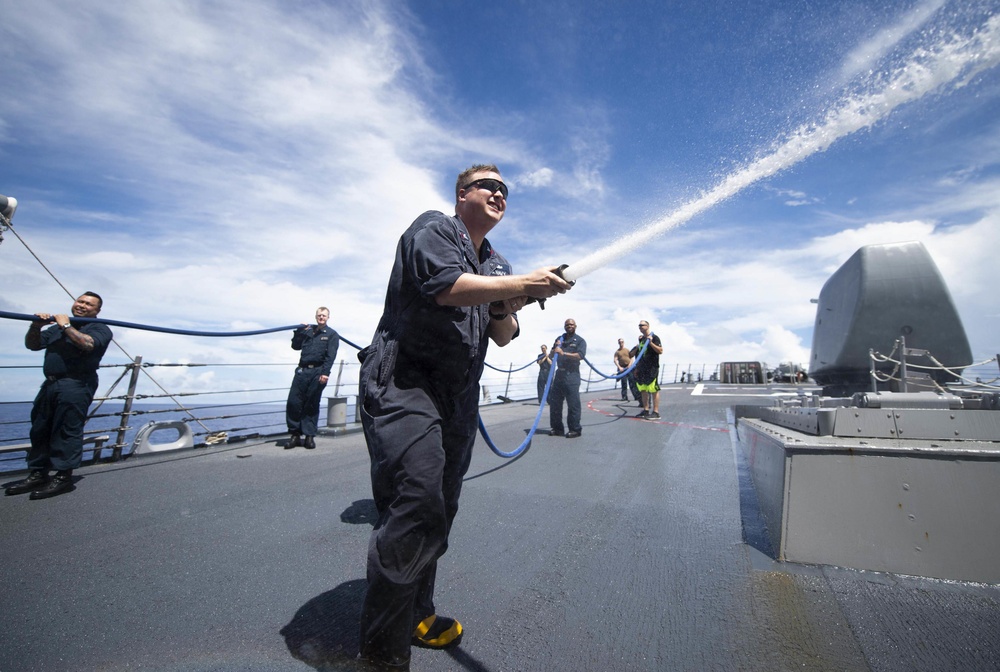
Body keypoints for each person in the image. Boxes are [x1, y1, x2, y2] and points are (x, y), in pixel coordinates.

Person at [356, 164, 570, 669]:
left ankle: (416, 615)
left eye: (505, 190)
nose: (499, 193)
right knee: (415, 500)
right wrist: (524, 282)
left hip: (457, 397)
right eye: (488, 186)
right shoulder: (433, 228)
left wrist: (507, 300)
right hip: (406, 384)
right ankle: (380, 656)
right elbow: (446, 287)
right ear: (461, 195)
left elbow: (502, 333)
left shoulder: (496, 264)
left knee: (441, 509)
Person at [6, 292, 112, 499]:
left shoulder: (100, 328)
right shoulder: (55, 328)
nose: (82, 305)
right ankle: (38, 472)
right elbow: (33, 345)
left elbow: (88, 344)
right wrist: (36, 326)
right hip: (50, 383)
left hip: (76, 383)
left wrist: (66, 326)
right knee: (40, 427)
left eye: (88, 304)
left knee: (67, 429)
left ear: (97, 311)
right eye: (80, 301)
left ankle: (63, 477)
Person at [285, 307, 340, 450]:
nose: (321, 317)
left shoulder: (332, 334)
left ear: (328, 317)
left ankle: (309, 436)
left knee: (311, 403)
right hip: (302, 371)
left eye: (324, 315)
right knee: (293, 402)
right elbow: (295, 346)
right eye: (319, 315)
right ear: (316, 317)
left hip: (318, 371)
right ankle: (295, 435)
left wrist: (325, 373)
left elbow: (331, 356)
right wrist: (299, 331)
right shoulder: (307, 331)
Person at [549, 318, 586, 438]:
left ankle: (575, 429)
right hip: (559, 374)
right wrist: (554, 348)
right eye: (567, 325)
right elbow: (551, 355)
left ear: (575, 326)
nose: (569, 326)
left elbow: (580, 355)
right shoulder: (559, 339)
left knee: (573, 403)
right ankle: (557, 428)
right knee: (555, 403)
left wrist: (563, 353)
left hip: (572, 375)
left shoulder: (580, 341)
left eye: (571, 324)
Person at [630, 320, 663, 420]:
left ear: (647, 326)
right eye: (638, 325)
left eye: (641, 325)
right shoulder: (641, 340)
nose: (640, 327)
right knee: (643, 389)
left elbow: (660, 350)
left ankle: (656, 412)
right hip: (642, 369)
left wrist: (651, 342)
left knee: (653, 389)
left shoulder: (655, 337)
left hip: (652, 368)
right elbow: (633, 355)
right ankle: (646, 410)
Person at [614, 337, 640, 402]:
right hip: (622, 368)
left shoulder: (627, 350)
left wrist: (629, 365)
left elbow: (631, 357)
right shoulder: (617, 352)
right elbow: (615, 360)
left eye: (622, 342)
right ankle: (624, 396)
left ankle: (636, 396)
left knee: (632, 382)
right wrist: (619, 367)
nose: (621, 343)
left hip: (629, 368)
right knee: (624, 383)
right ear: (618, 343)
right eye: (620, 342)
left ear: (624, 342)